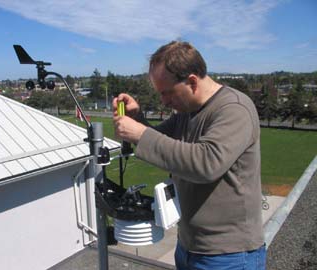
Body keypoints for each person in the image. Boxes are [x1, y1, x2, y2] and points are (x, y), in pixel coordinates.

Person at [113, 41, 266, 270]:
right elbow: (162, 142)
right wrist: (137, 118)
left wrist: (141, 134)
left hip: (228, 255)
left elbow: (206, 164)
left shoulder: (234, 108)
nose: (163, 101)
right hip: (189, 247)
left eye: (167, 92)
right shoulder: (187, 111)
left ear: (192, 81)